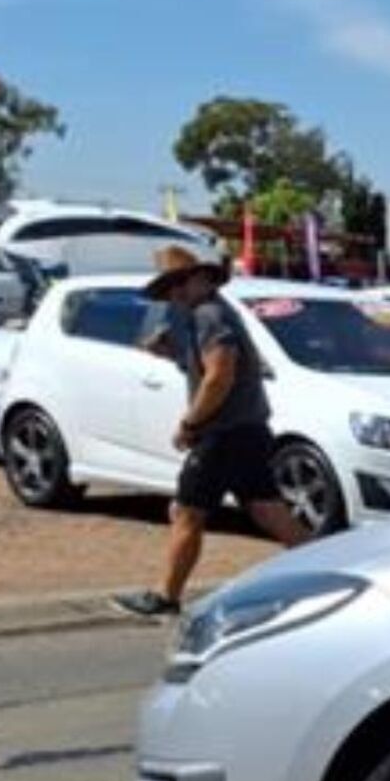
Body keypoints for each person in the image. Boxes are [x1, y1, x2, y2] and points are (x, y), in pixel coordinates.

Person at [111, 246, 309, 618]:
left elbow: (220, 375)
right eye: (170, 288)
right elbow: (207, 366)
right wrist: (169, 352)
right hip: (247, 429)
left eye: (179, 284)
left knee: (187, 512)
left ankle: (165, 597)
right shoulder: (206, 315)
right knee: (268, 510)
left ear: (200, 279)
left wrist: (191, 423)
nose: (174, 294)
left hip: (224, 432)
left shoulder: (210, 315)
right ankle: (327, 571)